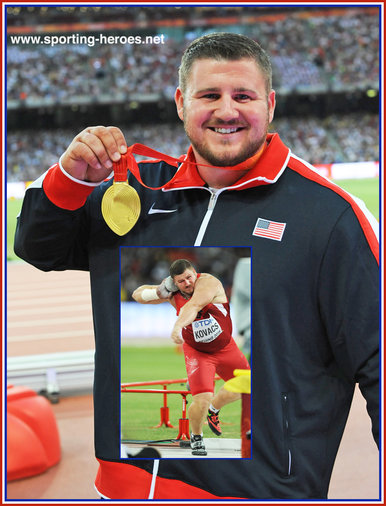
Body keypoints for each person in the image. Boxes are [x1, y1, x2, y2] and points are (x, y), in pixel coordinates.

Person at [13, 32, 379, 500]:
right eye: (209, 95)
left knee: (224, 392)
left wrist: (179, 312)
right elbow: (37, 247)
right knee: (200, 399)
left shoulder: (330, 216)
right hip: (125, 486)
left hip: (257, 491)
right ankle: (195, 429)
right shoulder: (135, 195)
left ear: (269, 104)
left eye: (242, 95)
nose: (226, 110)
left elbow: (377, 361)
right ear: (181, 102)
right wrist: (70, 179)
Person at [132, 258, 250, 456]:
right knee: (202, 399)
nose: (187, 283)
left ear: (194, 272)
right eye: (181, 281)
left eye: (189, 277)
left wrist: (178, 326)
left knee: (248, 385)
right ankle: (197, 436)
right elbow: (138, 295)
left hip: (226, 347)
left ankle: (214, 409)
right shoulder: (173, 293)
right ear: (174, 282)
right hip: (198, 354)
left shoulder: (208, 283)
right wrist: (159, 291)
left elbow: (194, 306)